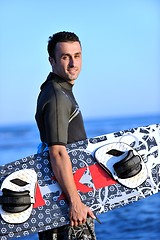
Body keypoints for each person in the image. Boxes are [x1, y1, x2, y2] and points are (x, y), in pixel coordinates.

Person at [35, 31, 97, 240]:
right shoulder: (56, 95)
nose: (73, 63)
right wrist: (75, 202)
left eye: (77, 56)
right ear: (52, 60)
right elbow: (58, 152)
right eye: (65, 57)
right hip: (66, 207)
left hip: (63, 201)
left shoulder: (59, 90)